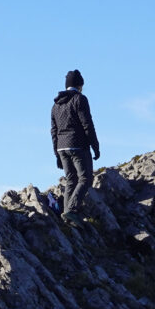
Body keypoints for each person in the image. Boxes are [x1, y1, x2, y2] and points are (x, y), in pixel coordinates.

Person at [50, 69, 100, 223]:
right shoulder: (80, 99)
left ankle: (67, 216)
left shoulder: (55, 105)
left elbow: (53, 131)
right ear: (79, 85)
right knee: (85, 179)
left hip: (61, 146)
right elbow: (87, 124)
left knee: (71, 180)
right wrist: (95, 146)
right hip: (77, 145)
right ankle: (71, 211)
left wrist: (56, 154)